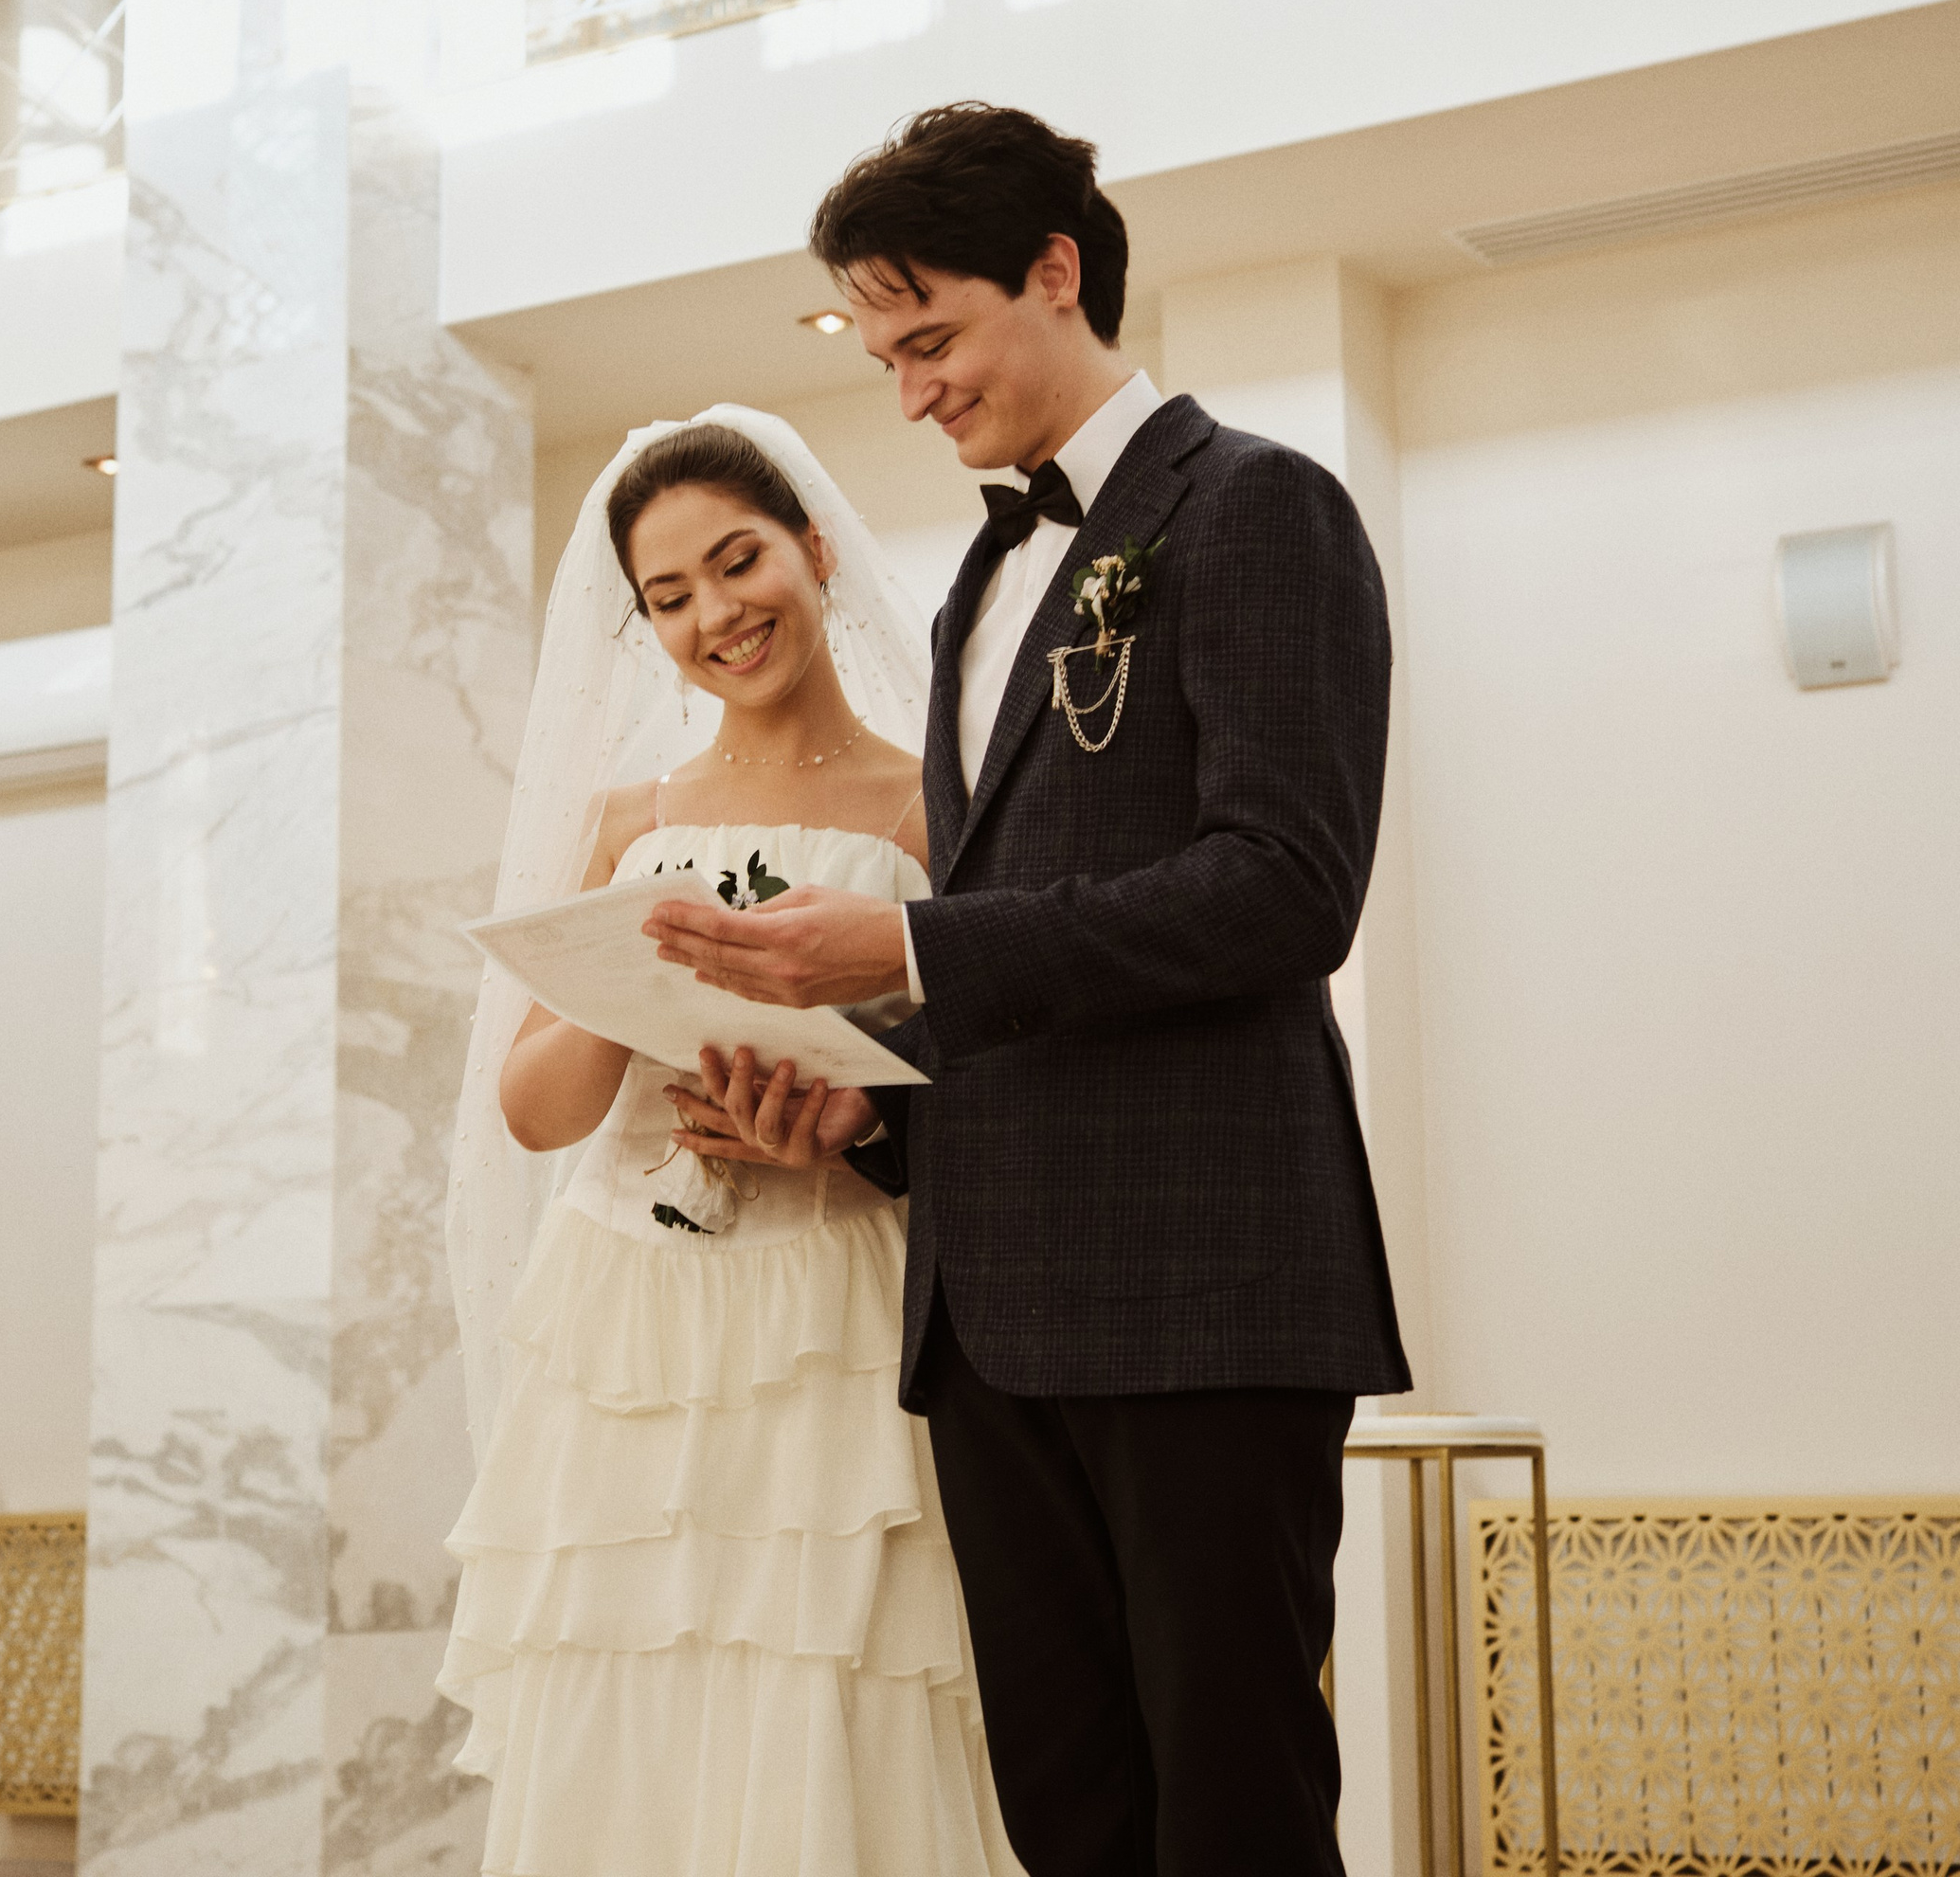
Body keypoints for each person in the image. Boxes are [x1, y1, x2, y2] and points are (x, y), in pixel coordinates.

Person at [643, 101, 1412, 1877]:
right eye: (884, 352)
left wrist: (912, 950)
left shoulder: (1260, 509)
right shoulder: (981, 580)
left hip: (1202, 1286)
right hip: (988, 1309)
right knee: (1068, 1819)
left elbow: (1290, 885)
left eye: (929, 339)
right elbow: (1028, 945)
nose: (908, 394)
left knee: (1233, 1813)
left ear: (1056, 273)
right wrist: (865, 1116)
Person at [440, 406, 1022, 1877]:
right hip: (625, 1308)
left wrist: (852, 1117)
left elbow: (989, 1065)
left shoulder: (928, 800)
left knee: (836, 1668)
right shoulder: (631, 818)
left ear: (816, 551)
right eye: (670, 596)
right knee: (630, 1669)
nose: (717, 613)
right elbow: (533, 1111)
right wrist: (635, 983)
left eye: (738, 560)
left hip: (835, 1295)